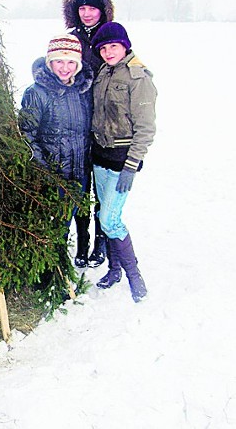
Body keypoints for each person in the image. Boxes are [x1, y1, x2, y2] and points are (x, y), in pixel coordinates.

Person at [90, 22, 157, 303]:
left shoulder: (138, 78)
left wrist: (132, 165)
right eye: (103, 48)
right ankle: (114, 270)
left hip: (121, 161)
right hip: (99, 157)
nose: (107, 52)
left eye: (113, 46)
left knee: (110, 219)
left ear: (125, 46)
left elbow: (146, 129)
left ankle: (134, 275)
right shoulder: (103, 72)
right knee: (104, 215)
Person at [19, 34, 94, 276]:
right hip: (53, 176)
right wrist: (43, 170)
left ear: (78, 65)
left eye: (71, 62)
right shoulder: (37, 92)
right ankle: (48, 276)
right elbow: (26, 133)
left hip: (79, 174)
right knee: (53, 227)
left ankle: (58, 271)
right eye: (59, 61)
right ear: (49, 63)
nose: (65, 68)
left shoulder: (83, 91)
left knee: (68, 224)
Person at [62, 0, 115, 267]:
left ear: (102, 10)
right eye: (82, 8)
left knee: (102, 191)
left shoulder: (110, 37)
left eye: (92, 8)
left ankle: (101, 243)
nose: (87, 14)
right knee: (80, 189)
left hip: (103, 124)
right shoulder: (71, 37)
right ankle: (81, 244)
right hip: (77, 123)